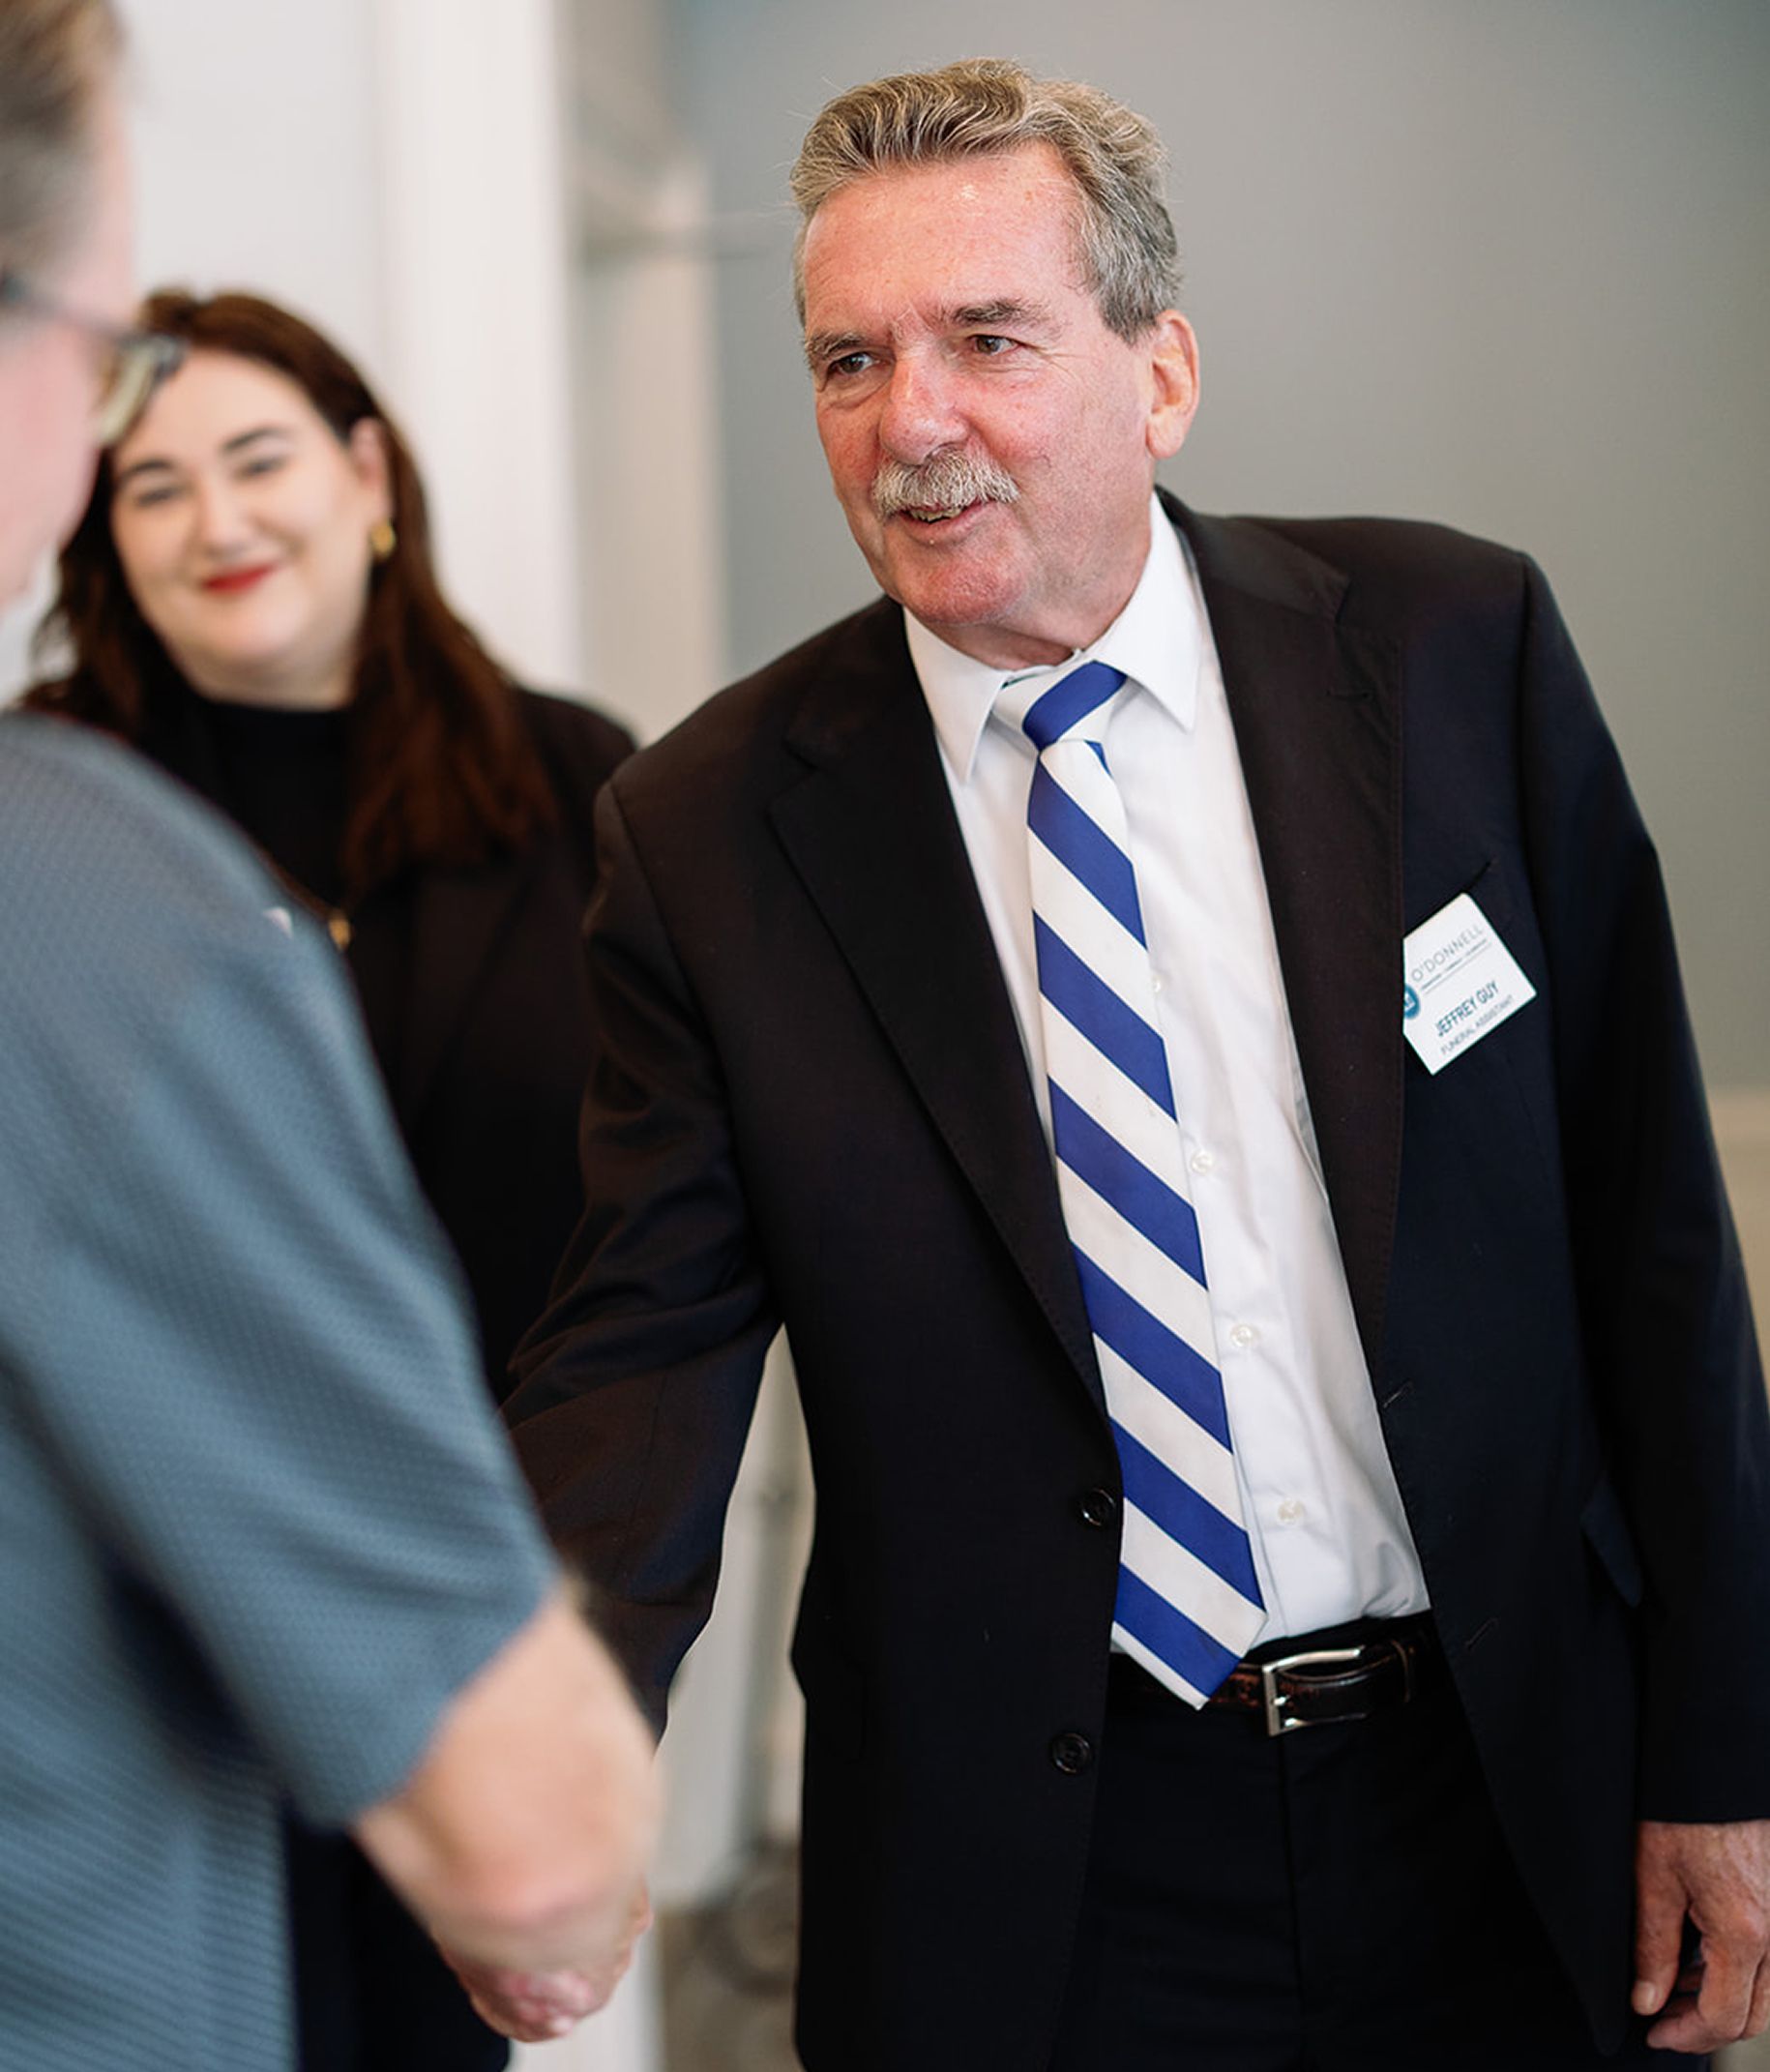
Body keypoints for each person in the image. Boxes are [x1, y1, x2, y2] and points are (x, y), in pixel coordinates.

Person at [504, 56, 1770, 2072]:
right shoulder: (712, 829)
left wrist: (1724, 1749)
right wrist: (539, 1759)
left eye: (986, 340)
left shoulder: (1454, 651)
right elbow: (637, 1360)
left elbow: (1655, 1242)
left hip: (1503, 1776)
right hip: (1050, 1871)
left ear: (1159, 372)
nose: (910, 422)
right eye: (850, 359)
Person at [0, 4, 657, 2065]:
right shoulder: (83, 848)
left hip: (478, 1597)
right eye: (148, 470)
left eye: (258, 458)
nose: (212, 518)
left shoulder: (583, 790)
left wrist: (568, 1661)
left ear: (368, 473)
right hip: (153, 1671)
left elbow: (656, 1256)